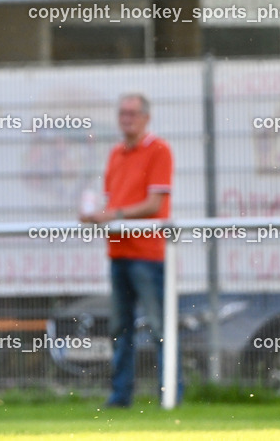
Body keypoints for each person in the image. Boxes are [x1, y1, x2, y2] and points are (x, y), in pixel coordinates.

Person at [79, 93, 182, 407]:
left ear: (146, 117)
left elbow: (155, 203)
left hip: (147, 254)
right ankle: (121, 396)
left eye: (132, 113)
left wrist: (114, 215)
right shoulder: (115, 154)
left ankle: (170, 393)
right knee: (119, 329)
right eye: (122, 113)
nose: (126, 119)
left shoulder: (159, 150)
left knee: (159, 327)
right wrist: (96, 213)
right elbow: (114, 202)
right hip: (118, 253)